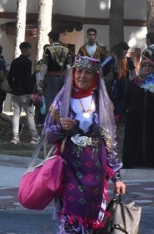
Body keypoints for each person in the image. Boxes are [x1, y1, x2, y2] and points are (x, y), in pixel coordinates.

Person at [44, 56, 126, 233]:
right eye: (78, 71)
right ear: (73, 74)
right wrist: (60, 127)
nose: (82, 76)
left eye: (88, 72)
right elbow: (48, 135)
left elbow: (110, 142)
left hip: (96, 170)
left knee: (93, 218)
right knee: (71, 217)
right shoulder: (62, 102)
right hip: (69, 168)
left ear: (96, 76)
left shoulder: (102, 103)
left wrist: (117, 178)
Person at [123, 58, 154, 168]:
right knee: (135, 140)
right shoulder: (134, 83)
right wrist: (127, 110)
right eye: (145, 66)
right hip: (135, 119)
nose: (147, 68)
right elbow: (126, 99)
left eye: (149, 66)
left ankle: (150, 162)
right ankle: (135, 161)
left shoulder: (153, 83)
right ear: (141, 68)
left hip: (151, 118)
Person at [38, 30, 73, 124]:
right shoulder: (66, 49)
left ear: (51, 38)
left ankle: (50, 123)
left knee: (50, 101)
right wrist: (69, 79)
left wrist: (41, 79)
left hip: (51, 78)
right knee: (61, 101)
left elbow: (44, 66)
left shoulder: (48, 49)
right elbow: (69, 67)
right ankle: (61, 122)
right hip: (62, 79)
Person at [7, 42, 38, 145]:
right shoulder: (27, 62)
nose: (30, 51)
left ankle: (15, 137)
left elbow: (9, 76)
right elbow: (27, 79)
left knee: (16, 114)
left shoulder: (15, 62)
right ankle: (34, 137)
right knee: (30, 114)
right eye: (29, 49)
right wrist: (30, 92)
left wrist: (12, 87)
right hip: (25, 92)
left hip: (15, 92)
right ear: (25, 49)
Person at [102, 42, 135, 122]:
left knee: (124, 98)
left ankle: (121, 114)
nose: (125, 53)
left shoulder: (128, 60)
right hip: (114, 83)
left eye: (126, 51)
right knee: (114, 98)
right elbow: (103, 70)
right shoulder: (112, 60)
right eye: (123, 51)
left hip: (125, 82)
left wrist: (136, 82)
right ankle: (115, 114)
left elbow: (133, 73)